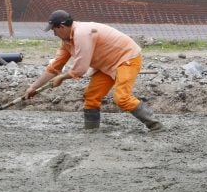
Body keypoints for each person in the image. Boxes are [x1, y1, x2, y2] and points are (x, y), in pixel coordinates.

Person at [26, 9, 162, 131]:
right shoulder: (67, 42)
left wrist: (62, 77)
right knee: (91, 95)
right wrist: (33, 87)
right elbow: (54, 67)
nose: (54, 34)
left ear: (61, 27)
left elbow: (81, 68)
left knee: (122, 98)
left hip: (126, 59)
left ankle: (155, 125)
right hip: (106, 65)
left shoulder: (82, 33)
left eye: (54, 30)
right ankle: (91, 130)